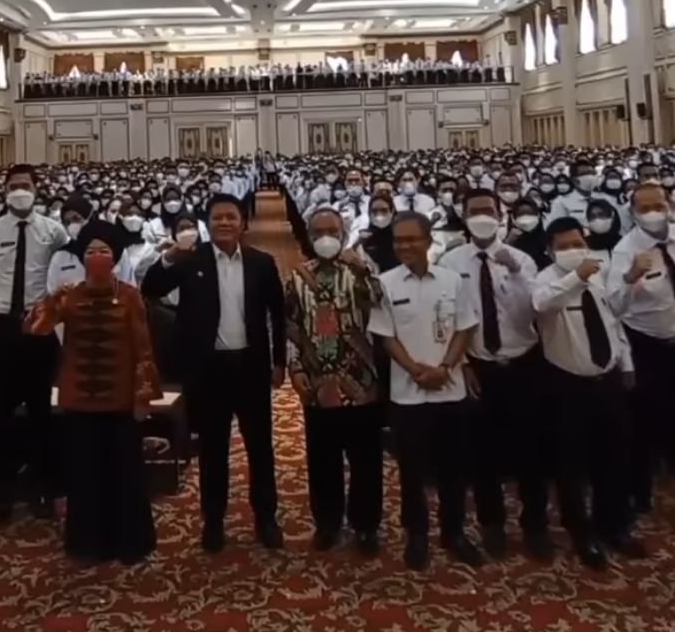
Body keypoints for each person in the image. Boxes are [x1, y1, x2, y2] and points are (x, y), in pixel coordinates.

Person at [142, 193, 286, 553]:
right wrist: (169, 257)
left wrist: (279, 361)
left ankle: (266, 517)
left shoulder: (261, 262)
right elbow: (151, 288)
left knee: (260, 447)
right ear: (208, 224)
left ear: (243, 223)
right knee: (212, 449)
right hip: (208, 370)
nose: (224, 222)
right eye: (217, 217)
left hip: (251, 367)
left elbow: (278, 315)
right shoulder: (191, 260)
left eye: (230, 217)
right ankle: (214, 521)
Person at [25, 221, 160, 564]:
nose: (97, 256)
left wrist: (143, 397)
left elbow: (143, 349)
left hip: (121, 399)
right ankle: (87, 544)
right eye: (90, 251)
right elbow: (35, 329)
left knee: (124, 473)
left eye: (104, 251)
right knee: (85, 474)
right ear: (81, 257)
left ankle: (130, 542)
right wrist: (53, 300)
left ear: (115, 258)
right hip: (80, 400)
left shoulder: (129, 295)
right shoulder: (70, 294)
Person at [368, 211, 483, 570]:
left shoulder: (452, 280)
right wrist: (416, 370)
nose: (404, 246)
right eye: (398, 240)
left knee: (454, 467)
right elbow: (386, 337)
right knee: (412, 470)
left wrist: (445, 367)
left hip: (450, 387)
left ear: (428, 240)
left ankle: (454, 532)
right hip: (408, 391)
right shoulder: (384, 283)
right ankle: (417, 534)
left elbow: (464, 327)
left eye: (411, 239)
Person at [439, 189, 550, 562]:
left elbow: (533, 311)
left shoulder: (522, 260)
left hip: (523, 362)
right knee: (481, 450)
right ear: (463, 216)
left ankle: (535, 524)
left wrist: (515, 273)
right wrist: (463, 364)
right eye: (474, 211)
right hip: (479, 365)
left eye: (489, 210)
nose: (482, 217)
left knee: (531, 448)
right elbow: (449, 319)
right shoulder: (452, 261)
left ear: (502, 215)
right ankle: (492, 523)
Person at [534, 217, 646, 568]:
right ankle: (581, 532)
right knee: (571, 463)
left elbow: (613, 318)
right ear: (550, 251)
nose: (573, 250)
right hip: (568, 384)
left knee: (615, 455)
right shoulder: (545, 279)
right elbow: (542, 305)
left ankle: (613, 524)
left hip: (608, 380)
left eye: (578, 244)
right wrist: (576, 277)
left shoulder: (600, 273)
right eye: (564, 246)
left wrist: (625, 363)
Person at [0, 164, 69, 523]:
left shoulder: (53, 231)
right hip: (0, 330)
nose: (19, 191)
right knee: (0, 415)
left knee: (42, 414)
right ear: (4, 190)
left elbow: (63, 281)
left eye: (25, 185)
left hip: (39, 327)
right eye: (13, 186)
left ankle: (42, 490)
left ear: (37, 189)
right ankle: (4, 493)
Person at [285, 208, 383, 555]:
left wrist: (363, 268)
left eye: (333, 231)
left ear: (343, 234)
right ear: (309, 236)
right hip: (319, 381)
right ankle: (327, 523)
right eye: (318, 232)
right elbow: (291, 327)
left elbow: (383, 304)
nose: (326, 237)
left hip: (361, 380)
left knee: (366, 459)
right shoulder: (298, 277)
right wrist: (295, 369)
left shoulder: (360, 270)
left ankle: (366, 526)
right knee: (323, 459)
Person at [606, 182, 675, 515]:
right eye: (644, 208)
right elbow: (614, 306)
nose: (653, 213)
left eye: (658, 206)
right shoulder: (625, 250)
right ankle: (640, 491)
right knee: (642, 422)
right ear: (633, 213)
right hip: (647, 344)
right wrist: (630, 277)